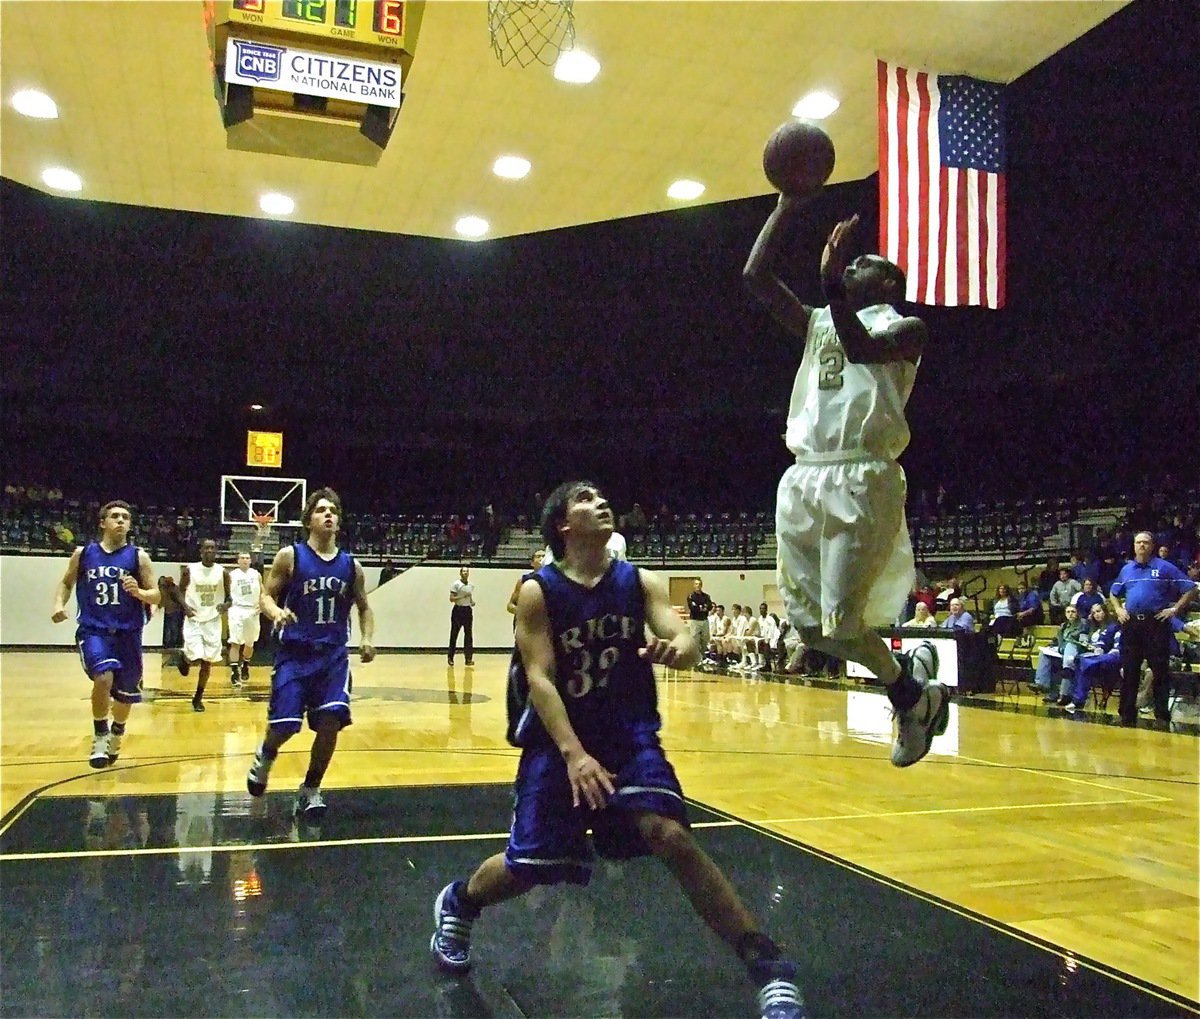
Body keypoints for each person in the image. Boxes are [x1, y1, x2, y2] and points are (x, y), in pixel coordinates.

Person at [431, 481, 804, 1019]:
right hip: (559, 744)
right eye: (585, 499)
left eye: (601, 496)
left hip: (628, 737)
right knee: (531, 867)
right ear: (562, 524)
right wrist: (573, 754)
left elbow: (682, 635)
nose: (601, 502)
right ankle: (460, 901)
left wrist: (681, 649)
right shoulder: (539, 591)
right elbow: (539, 677)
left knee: (669, 834)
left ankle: (767, 966)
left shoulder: (640, 581)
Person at [744, 194, 947, 767]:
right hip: (805, 476)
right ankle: (911, 688)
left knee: (841, 618)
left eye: (866, 265)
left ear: (886, 286)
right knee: (810, 631)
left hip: (863, 475)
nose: (853, 265)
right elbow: (754, 277)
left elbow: (858, 348)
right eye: (850, 265)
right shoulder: (816, 322)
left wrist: (831, 281)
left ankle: (907, 693)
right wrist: (786, 205)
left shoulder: (906, 328)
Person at [245, 488, 375, 819]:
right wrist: (274, 612)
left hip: (332, 656)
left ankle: (311, 788)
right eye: (321, 510)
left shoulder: (351, 565)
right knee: (286, 725)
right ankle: (266, 752)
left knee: (331, 720)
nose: (328, 515)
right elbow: (266, 595)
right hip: (295, 653)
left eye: (333, 510)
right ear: (308, 521)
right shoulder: (291, 557)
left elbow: (364, 607)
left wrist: (367, 638)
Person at [50, 500, 161, 768]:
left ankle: (117, 732)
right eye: (115, 516)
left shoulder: (138, 557)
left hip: (128, 633)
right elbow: (67, 583)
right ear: (103, 523)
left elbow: (155, 594)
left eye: (125, 517)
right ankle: (100, 735)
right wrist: (58, 605)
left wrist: (139, 593)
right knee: (103, 677)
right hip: (94, 630)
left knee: (125, 696)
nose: (121, 520)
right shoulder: (84, 554)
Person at [1107, 531, 1196, 725]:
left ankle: (1162, 716)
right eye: (1138, 542)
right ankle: (1127, 715)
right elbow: (1113, 593)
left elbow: (1190, 587)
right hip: (1131, 625)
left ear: (1152, 546)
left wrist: (1174, 609)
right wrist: (1118, 609)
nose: (1141, 546)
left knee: (1160, 672)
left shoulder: (1164, 567)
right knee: (1130, 671)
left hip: (1155, 624)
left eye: (1145, 543)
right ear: (1133, 546)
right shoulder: (1127, 570)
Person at [178, 538, 231, 712]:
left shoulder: (223, 573)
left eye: (212, 548)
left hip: (212, 620)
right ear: (201, 551)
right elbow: (179, 591)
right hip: (194, 618)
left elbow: (230, 599)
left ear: (216, 551)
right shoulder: (190, 570)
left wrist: (225, 605)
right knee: (194, 655)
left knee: (208, 661)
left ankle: (198, 697)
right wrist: (185, 607)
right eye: (206, 548)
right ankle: (185, 658)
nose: (209, 551)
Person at [227, 550, 263, 687]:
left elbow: (263, 590)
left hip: (252, 610)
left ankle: (245, 665)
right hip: (237, 609)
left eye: (247, 558)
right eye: (242, 558)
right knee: (235, 642)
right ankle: (234, 671)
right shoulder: (232, 575)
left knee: (250, 642)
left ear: (250, 560)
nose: (245, 560)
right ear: (238, 561)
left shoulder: (256, 574)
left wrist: (262, 603)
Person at [448, 565, 475, 666]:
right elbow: (451, 598)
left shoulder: (471, 585)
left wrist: (471, 602)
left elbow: (469, 596)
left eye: (467, 571)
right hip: (458, 610)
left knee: (468, 635)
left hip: (467, 610)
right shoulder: (456, 584)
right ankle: (450, 657)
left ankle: (468, 659)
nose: (465, 573)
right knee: (454, 634)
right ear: (460, 573)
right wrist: (461, 596)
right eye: (463, 571)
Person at [507, 549, 546, 618]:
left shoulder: (554, 580)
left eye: (544, 556)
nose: (541, 559)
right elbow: (510, 605)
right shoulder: (523, 580)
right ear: (532, 563)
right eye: (538, 556)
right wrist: (522, 611)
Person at [686, 579, 714, 660]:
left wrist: (702, 607)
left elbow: (709, 606)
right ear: (694, 585)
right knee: (695, 640)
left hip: (704, 620)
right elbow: (693, 608)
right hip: (695, 620)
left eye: (699, 584)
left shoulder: (706, 596)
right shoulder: (691, 596)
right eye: (696, 584)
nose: (698, 586)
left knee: (705, 639)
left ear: (701, 585)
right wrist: (702, 607)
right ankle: (695, 657)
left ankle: (703, 657)